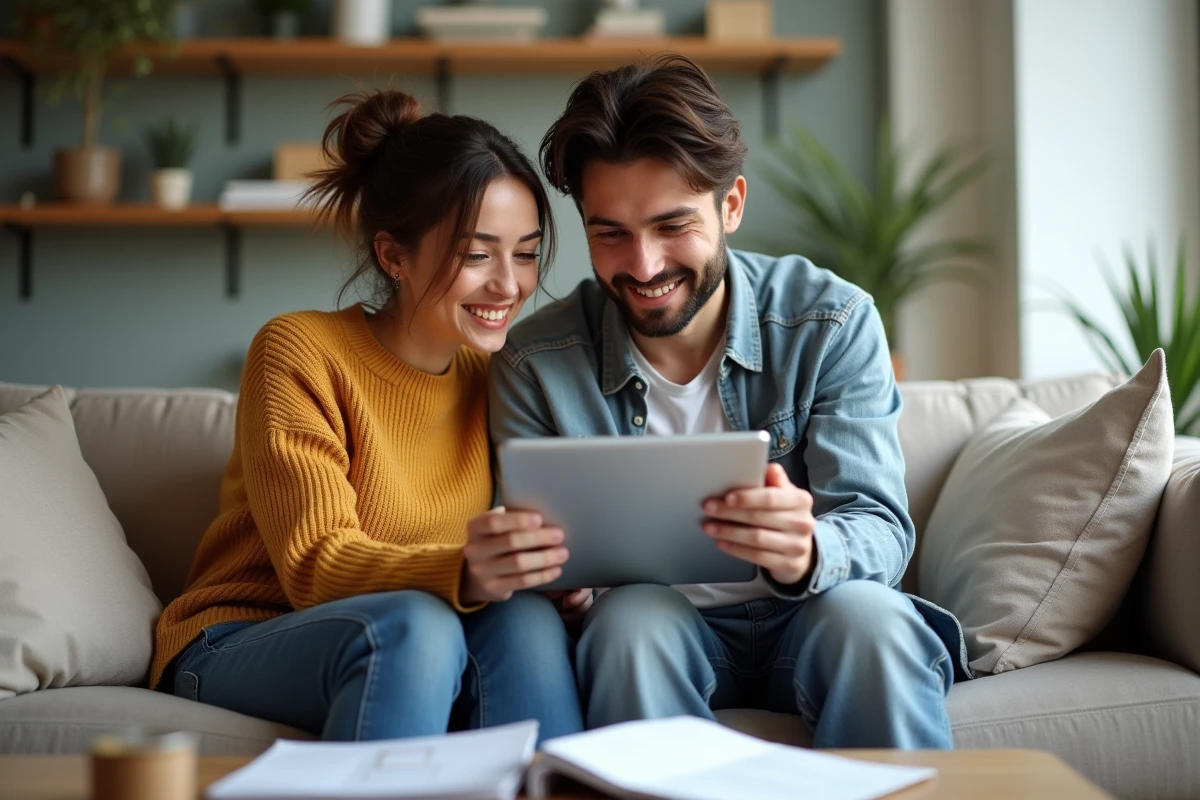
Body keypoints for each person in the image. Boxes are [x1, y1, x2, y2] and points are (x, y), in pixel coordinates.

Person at [490, 56, 968, 748]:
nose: (645, 266)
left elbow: (879, 525)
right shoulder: (535, 362)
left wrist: (808, 549)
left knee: (870, 619)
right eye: (611, 233)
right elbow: (542, 563)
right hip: (658, 630)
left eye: (672, 225)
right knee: (629, 623)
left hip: (814, 614)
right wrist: (559, 588)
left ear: (732, 206)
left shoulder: (831, 321)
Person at [151, 89, 586, 744]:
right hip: (237, 636)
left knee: (525, 621)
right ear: (393, 256)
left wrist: (548, 578)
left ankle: (549, 785)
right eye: (477, 254)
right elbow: (314, 565)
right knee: (416, 626)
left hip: (418, 631)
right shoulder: (299, 350)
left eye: (525, 252)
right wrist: (465, 570)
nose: (509, 284)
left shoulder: (496, 377)